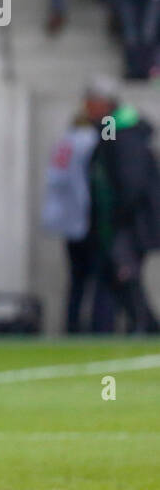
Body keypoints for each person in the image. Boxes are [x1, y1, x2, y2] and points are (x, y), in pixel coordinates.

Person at [84, 76, 160, 332]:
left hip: (131, 220)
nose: (86, 108)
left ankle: (144, 324)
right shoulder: (112, 130)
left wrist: (118, 214)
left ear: (103, 104)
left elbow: (132, 181)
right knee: (118, 273)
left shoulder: (123, 133)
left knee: (125, 272)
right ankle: (143, 323)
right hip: (122, 219)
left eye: (90, 102)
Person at [41, 107, 102, 332]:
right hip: (83, 219)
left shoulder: (63, 142)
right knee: (96, 278)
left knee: (76, 280)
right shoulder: (88, 142)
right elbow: (81, 183)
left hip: (66, 221)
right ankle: (97, 328)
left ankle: (72, 325)